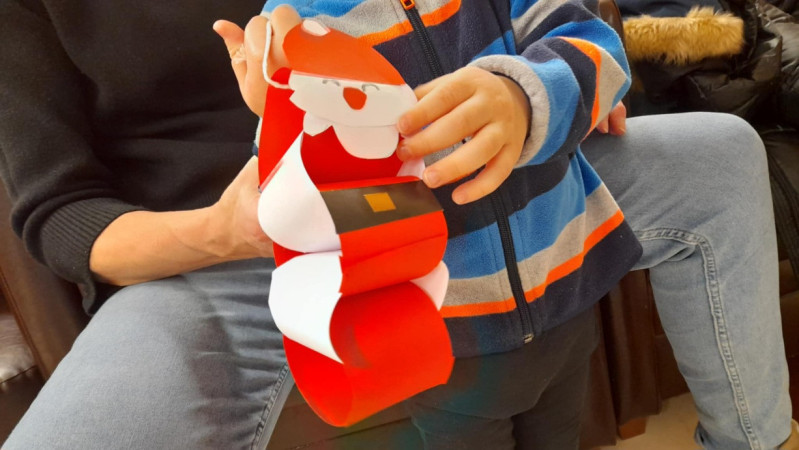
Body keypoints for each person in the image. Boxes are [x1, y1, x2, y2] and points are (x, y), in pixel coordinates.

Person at [0, 1, 793, 450]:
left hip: (526, 268)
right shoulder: (292, 24)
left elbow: (584, 37)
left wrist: (550, 92)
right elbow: (61, 213)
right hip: (275, 256)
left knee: (715, 156)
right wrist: (239, 209)